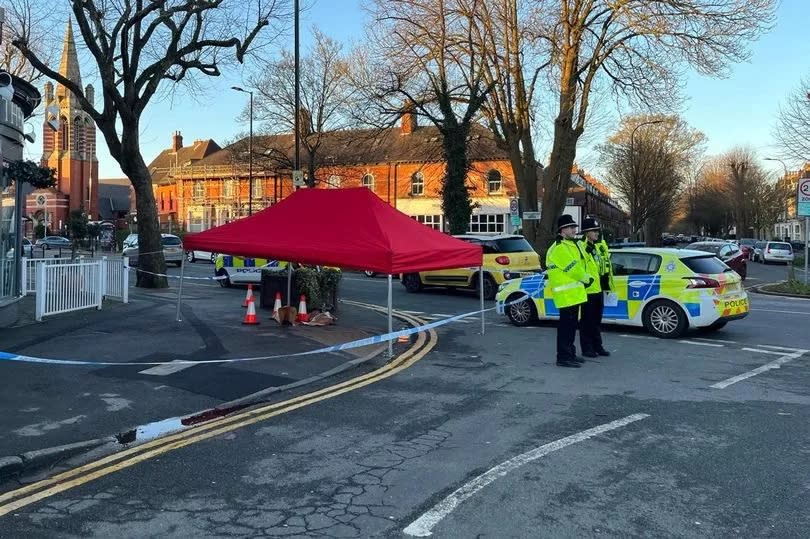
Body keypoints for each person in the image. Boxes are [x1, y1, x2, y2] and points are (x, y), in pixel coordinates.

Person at [545, 214, 592, 368]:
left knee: (571, 327)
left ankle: (570, 353)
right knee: (566, 328)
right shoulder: (559, 248)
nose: (574, 230)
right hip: (566, 295)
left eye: (574, 227)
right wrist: (587, 279)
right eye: (571, 227)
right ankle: (564, 357)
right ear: (562, 230)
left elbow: (581, 263)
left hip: (573, 294)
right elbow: (573, 269)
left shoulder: (570, 245)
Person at [578, 217, 611, 358]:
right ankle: (587, 348)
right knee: (587, 321)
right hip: (588, 290)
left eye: (598, 230)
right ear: (586, 232)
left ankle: (598, 346)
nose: (597, 233)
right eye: (594, 231)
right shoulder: (581, 247)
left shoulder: (597, 246)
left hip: (598, 289)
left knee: (597, 321)